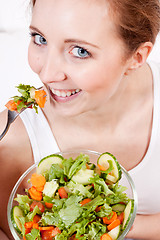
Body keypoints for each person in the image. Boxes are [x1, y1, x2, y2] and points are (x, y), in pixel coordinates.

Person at [0, 0, 160, 239]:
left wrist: (114, 225)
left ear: (137, 57)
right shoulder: (11, 137)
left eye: (80, 51)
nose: (47, 74)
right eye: (40, 38)